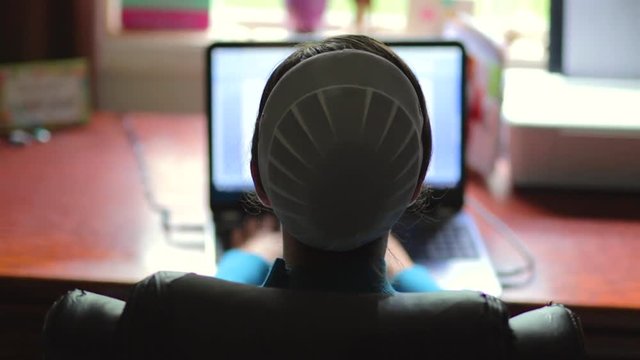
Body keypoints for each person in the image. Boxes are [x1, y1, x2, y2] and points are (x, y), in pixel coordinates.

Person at [216, 34, 439, 294]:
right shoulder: (457, 324)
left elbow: (223, 293)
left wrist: (253, 251)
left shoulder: (219, 317)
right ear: (418, 182)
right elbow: (440, 308)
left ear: (259, 181)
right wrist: (405, 269)